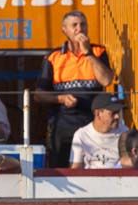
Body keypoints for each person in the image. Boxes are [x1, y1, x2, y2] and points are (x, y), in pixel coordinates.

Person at [36, 10, 114, 168]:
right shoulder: (53, 57)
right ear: (64, 30)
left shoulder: (99, 51)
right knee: (62, 169)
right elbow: (38, 95)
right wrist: (61, 99)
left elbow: (106, 79)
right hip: (64, 123)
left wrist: (88, 54)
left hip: (93, 123)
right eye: (74, 25)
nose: (80, 28)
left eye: (83, 24)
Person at [69, 92, 126, 168]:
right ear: (98, 114)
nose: (117, 116)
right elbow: (75, 169)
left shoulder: (124, 132)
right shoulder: (81, 135)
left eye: (118, 112)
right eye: (113, 113)